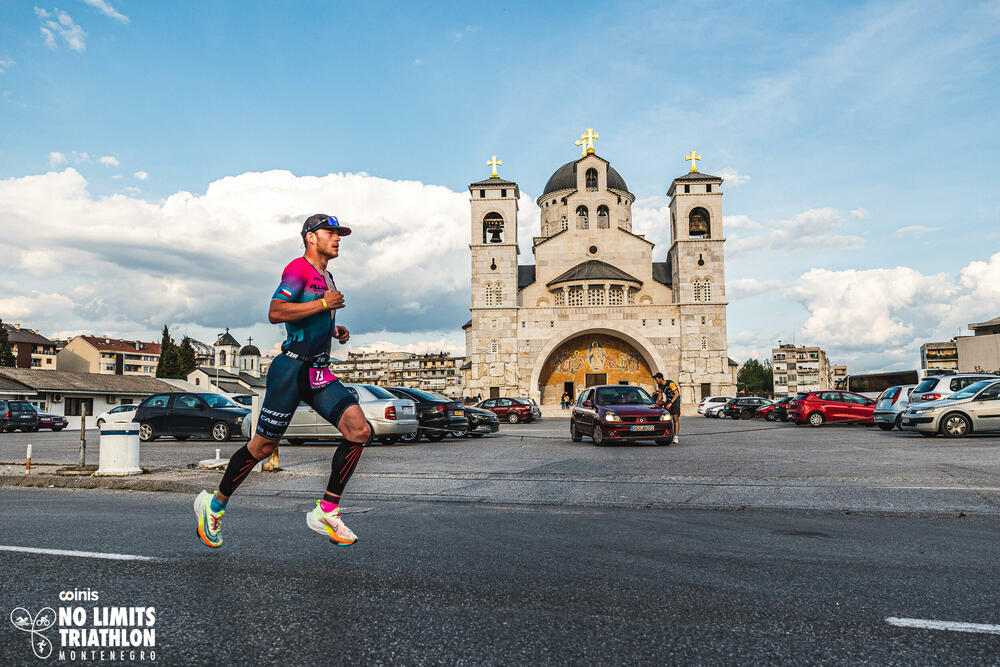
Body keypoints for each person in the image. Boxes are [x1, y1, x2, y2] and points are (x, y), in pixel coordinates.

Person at [194, 213, 370, 549]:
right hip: (290, 371)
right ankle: (214, 506)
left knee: (358, 430)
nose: (337, 238)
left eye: (339, 234)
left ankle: (327, 510)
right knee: (262, 448)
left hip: (318, 371)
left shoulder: (328, 276)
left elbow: (309, 319)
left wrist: (334, 328)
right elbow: (276, 311)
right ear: (310, 237)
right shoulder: (297, 269)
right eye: (330, 233)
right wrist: (323, 304)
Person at [652, 372, 681, 444]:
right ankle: (666, 433)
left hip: (675, 400)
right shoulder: (660, 385)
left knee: (675, 418)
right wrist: (658, 402)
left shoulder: (670, 383)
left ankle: (676, 437)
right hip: (668, 400)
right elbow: (660, 395)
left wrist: (671, 403)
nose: (656, 381)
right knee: (664, 416)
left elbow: (677, 394)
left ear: (661, 378)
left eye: (657, 380)